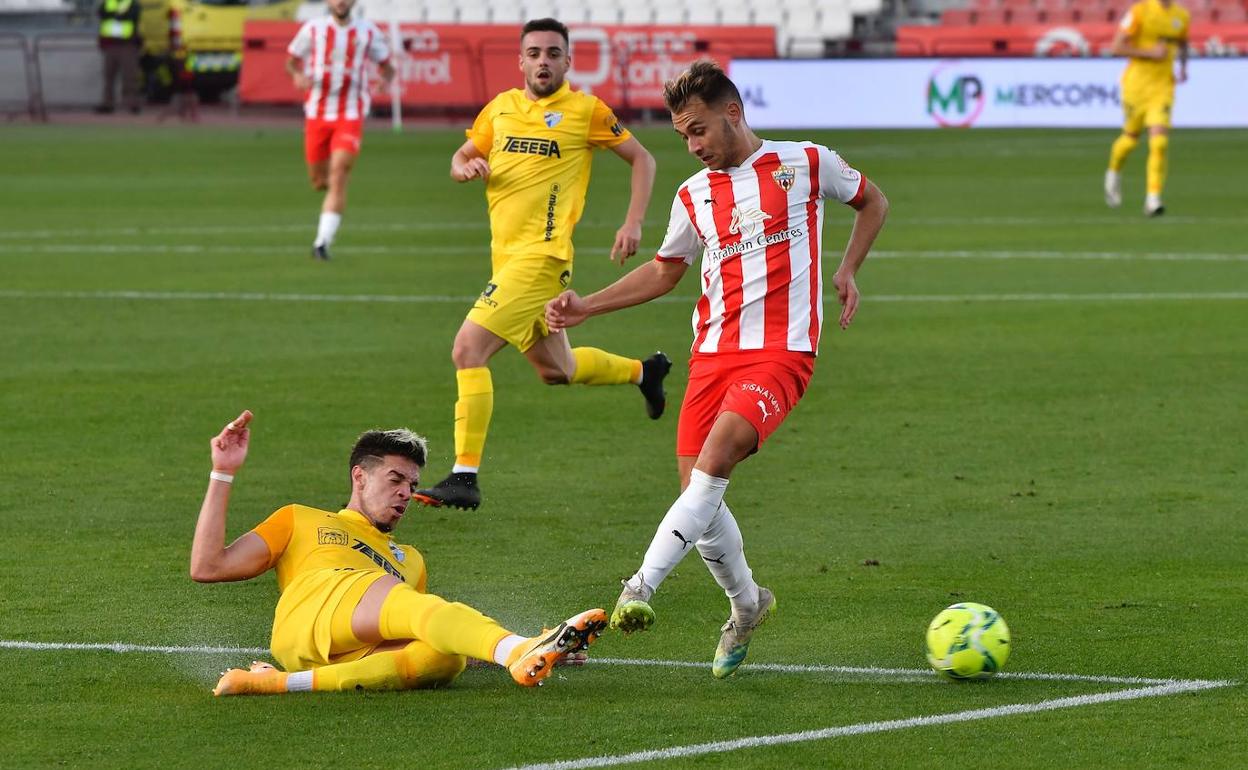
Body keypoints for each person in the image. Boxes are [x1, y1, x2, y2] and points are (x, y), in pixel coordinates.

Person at [545, 60, 889, 678]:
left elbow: (873, 201)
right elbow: (665, 270)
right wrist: (588, 306)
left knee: (715, 464)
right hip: (712, 355)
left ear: (733, 112)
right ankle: (747, 604)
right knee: (698, 500)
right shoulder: (693, 194)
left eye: (699, 130)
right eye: (684, 137)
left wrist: (847, 269)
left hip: (782, 351)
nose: (694, 146)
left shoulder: (804, 162)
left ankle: (638, 588)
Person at [413, 18, 667, 512]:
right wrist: (464, 167)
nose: (543, 61)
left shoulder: (585, 111)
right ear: (521, 61)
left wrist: (633, 223)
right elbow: (461, 154)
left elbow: (644, 159)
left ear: (568, 62)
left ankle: (465, 474)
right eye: (534, 53)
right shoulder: (500, 109)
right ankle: (646, 373)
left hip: (542, 259)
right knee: (558, 370)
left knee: (468, 349)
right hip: (506, 260)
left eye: (554, 53)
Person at [193, 410, 607, 695]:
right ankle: (518, 649)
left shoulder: (409, 560)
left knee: (442, 660)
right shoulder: (300, 518)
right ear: (359, 476)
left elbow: (430, 626)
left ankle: (275, 684)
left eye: (411, 484)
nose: (406, 493)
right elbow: (208, 566)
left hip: (333, 651)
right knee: (408, 604)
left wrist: (520, 653)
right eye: (395, 479)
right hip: (310, 609)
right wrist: (222, 471)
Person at [285, 0, 395, 260]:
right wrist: (297, 76)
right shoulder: (313, 29)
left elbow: (387, 66)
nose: (341, 1)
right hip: (317, 114)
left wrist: (384, 81)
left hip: (351, 113)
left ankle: (321, 243)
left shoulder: (368, 31)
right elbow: (291, 61)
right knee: (319, 181)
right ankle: (327, 196)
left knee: (339, 172)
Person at [1104, 0, 1189, 217]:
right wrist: (1150, 53)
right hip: (1136, 87)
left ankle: (1153, 198)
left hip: (1163, 88)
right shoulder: (1140, 12)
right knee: (1130, 139)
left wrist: (1183, 66)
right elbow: (1116, 47)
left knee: (1159, 141)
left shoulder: (1181, 16)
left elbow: (1183, 42)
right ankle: (1114, 172)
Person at [95, 0, 143, 115]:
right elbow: (101, 13)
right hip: (110, 44)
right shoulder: (108, 2)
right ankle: (108, 103)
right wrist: (118, 15)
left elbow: (132, 16)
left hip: (127, 44)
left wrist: (114, 15)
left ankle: (132, 103)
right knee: (109, 76)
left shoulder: (132, 4)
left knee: (130, 76)